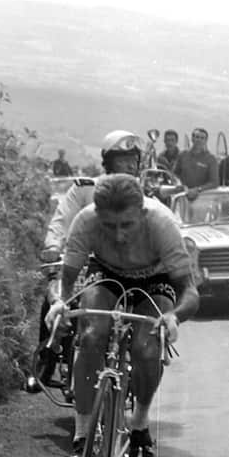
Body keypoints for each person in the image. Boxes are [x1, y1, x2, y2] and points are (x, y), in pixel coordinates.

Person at [46, 174, 199, 457]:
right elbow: (65, 280)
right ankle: (82, 436)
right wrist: (59, 303)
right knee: (91, 335)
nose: (118, 235)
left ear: (142, 213)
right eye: (109, 226)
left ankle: (139, 424)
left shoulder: (162, 225)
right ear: (97, 215)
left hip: (156, 278)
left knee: (147, 348)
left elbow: (190, 291)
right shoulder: (85, 220)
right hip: (106, 273)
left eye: (127, 225)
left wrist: (174, 317)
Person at [27, 131, 160, 393]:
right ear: (108, 162)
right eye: (122, 159)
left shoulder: (144, 195)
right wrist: (53, 246)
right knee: (56, 297)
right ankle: (47, 359)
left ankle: (141, 367)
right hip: (86, 264)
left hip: (129, 269)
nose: (129, 166)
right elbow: (61, 220)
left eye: (133, 160)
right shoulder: (85, 188)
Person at [175, 127, 220, 199]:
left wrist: (198, 189)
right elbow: (175, 174)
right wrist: (179, 184)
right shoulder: (183, 155)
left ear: (206, 141)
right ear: (192, 139)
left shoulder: (211, 159)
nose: (199, 140)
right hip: (183, 195)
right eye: (197, 137)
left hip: (203, 197)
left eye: (202, 138)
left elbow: (214, 183)